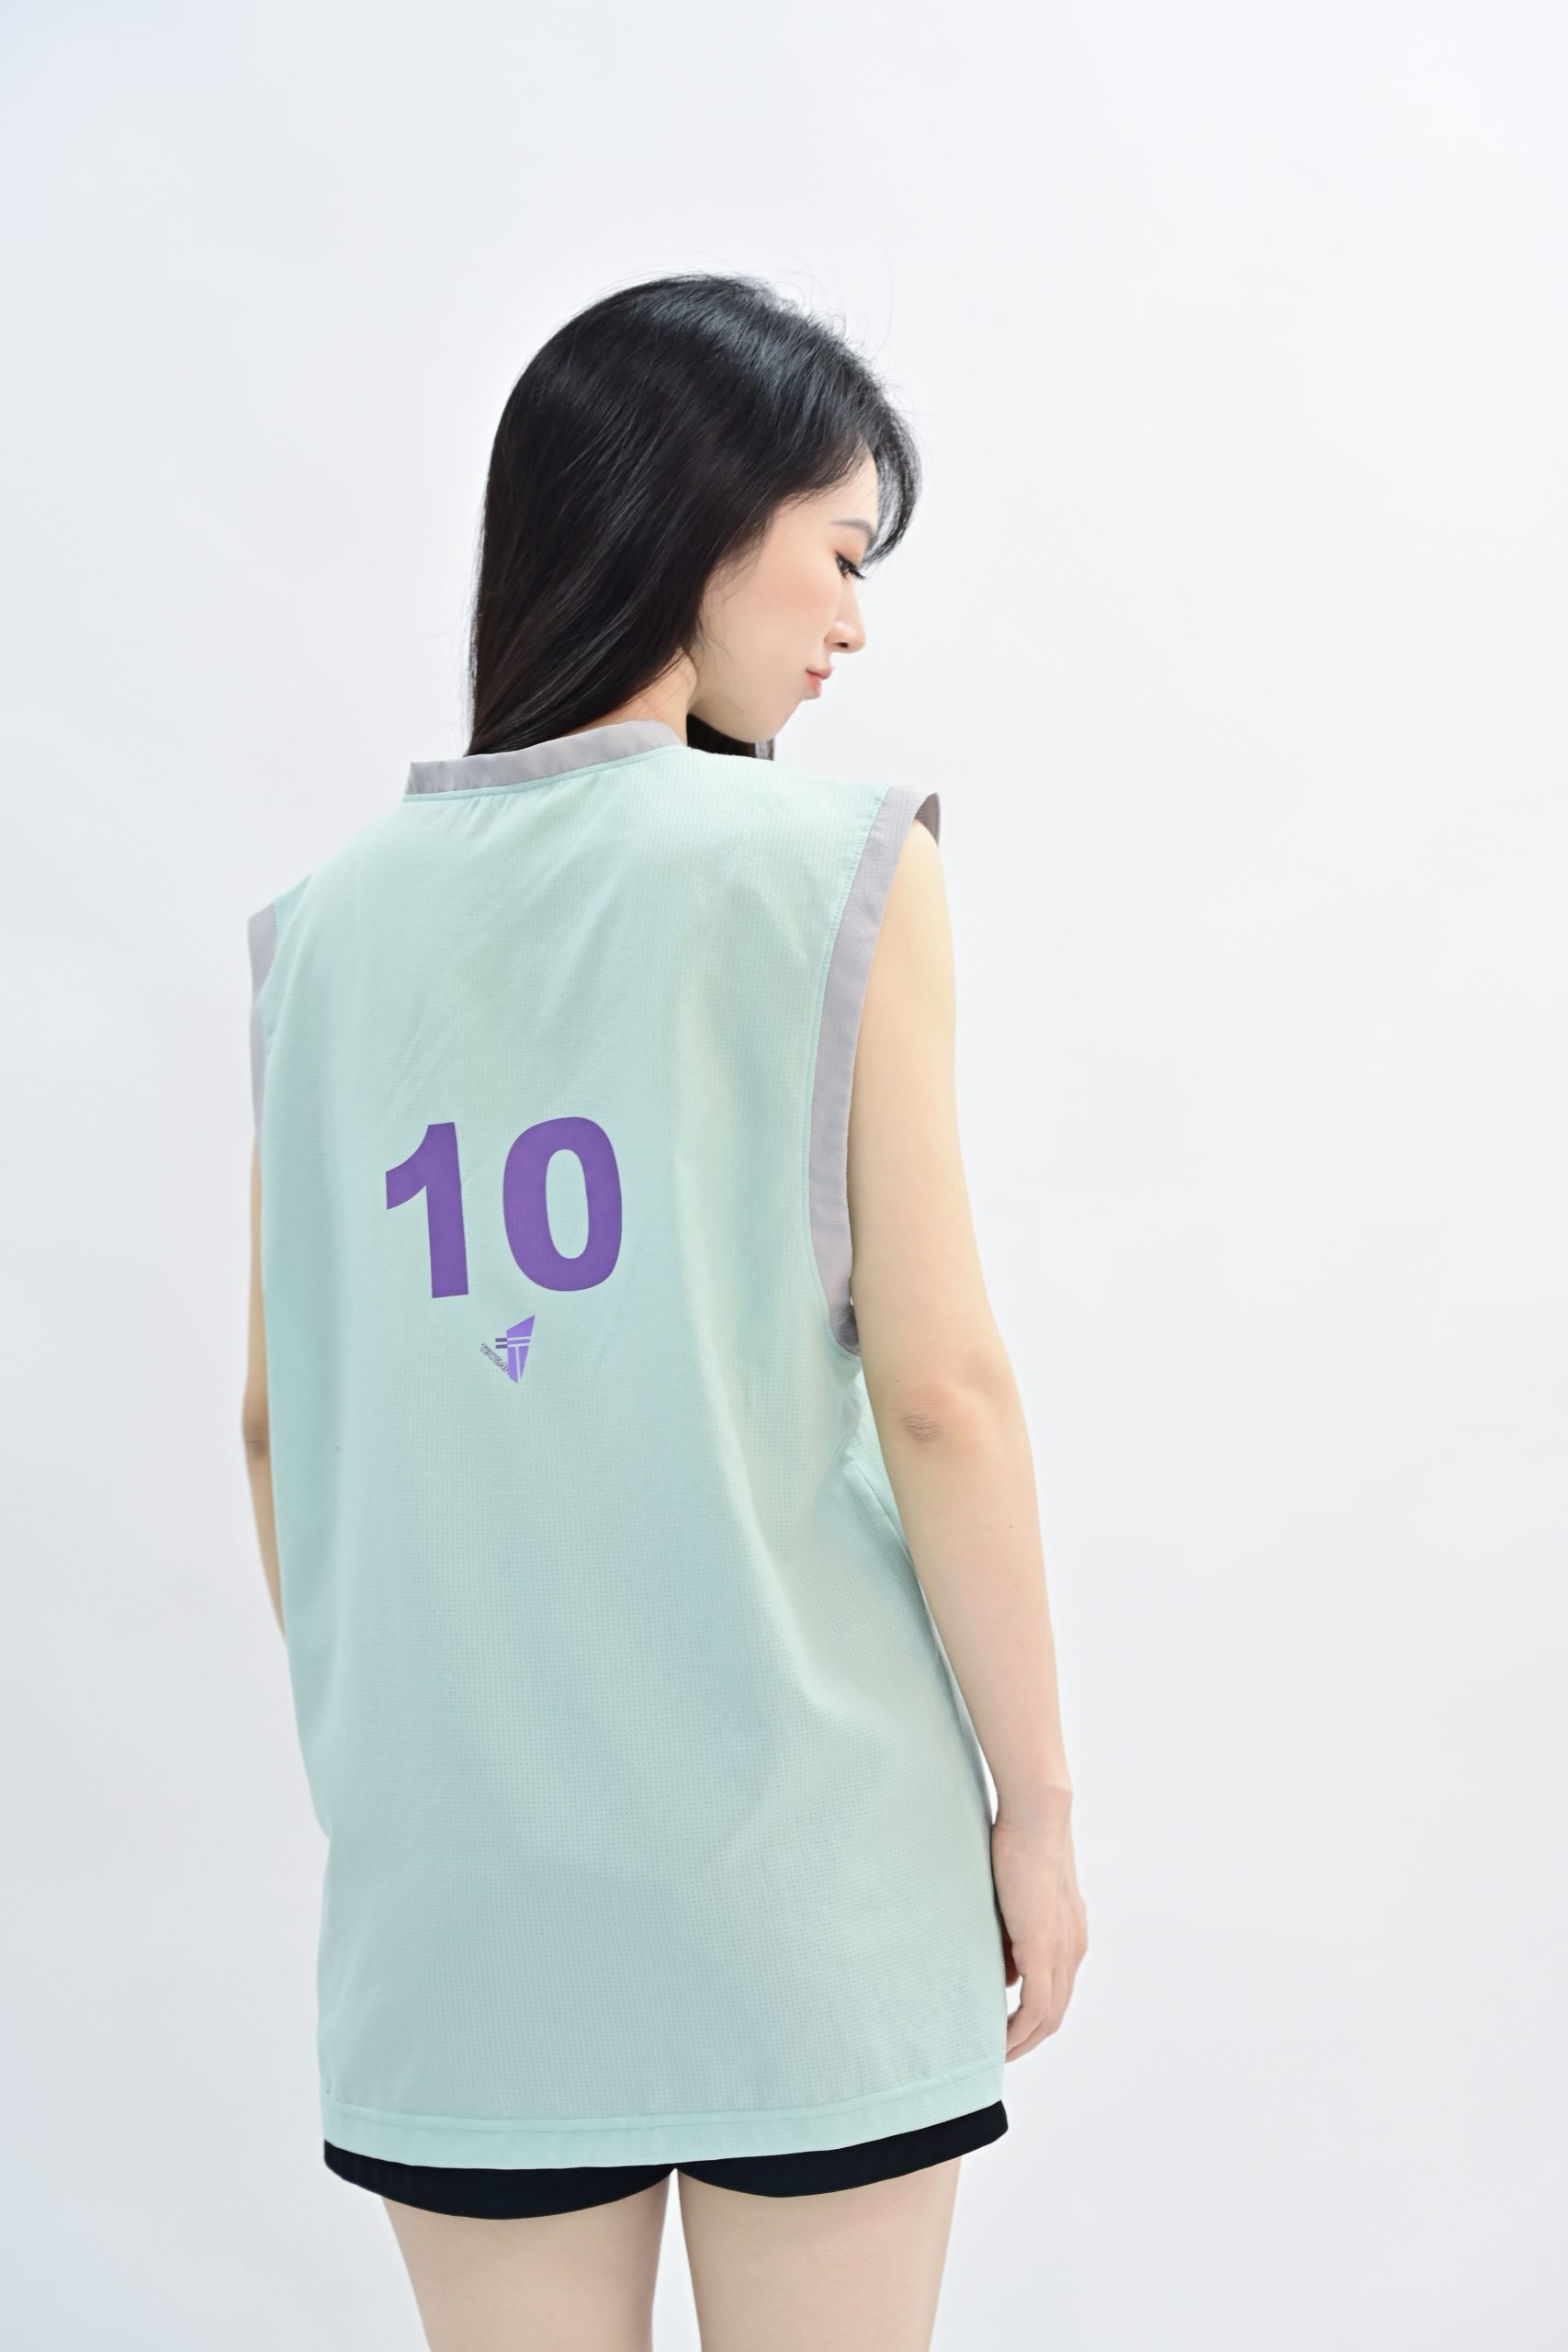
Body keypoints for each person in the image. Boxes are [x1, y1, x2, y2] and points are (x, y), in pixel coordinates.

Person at [241, 271, 1088, 2352]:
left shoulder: (323, 933)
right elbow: (944, 1393)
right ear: (704, 516)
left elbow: (277, 1424)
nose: (853, 623)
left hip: (462, 1906)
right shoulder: (836, 867)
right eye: (840, 551)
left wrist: (413, 1755)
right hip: (804, 1869)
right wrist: (1041, 1811)